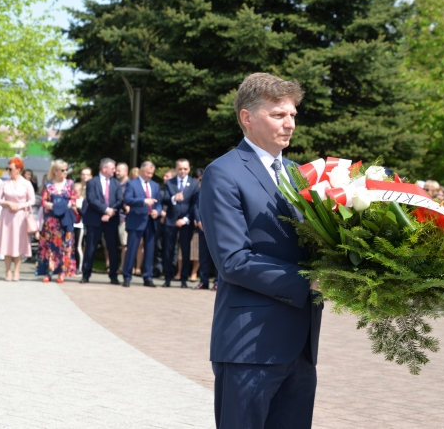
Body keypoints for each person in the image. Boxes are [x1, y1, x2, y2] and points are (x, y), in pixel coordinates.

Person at [200, 72, 323, 429]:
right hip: (250, 344)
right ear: (247, 117)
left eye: (293, 115)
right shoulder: (223, 173)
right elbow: (233, 260)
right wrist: (308, 281)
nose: (290, 124)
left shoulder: (299, 174)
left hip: (301, 346)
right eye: (279, 114)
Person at [81, 158, 123, 284]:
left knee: (113, 249)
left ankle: (113, 275)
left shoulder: (116, 183)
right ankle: (86, 275)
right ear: (104, 168)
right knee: (90, 248)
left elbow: (120, 200)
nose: (115, 171)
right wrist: (105, 210)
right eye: (113, 168)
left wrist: (110, 212)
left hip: (111, 220)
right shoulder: (92, 182)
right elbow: (91, 199)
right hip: (95, 220)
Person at [0, 158, 35, 281]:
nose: (8, 171)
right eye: (8, 168)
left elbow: (32, 200)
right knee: (7, 243)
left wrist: (20, 206)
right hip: (7, 216)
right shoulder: (4, 183)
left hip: (20, 217)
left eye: (10, 169)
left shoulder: (26, 183)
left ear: (18, 170)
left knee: (18, 244)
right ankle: (7, 271)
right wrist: (8, 203)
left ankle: (17, 270)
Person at [122, 161, 162, 288]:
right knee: (132, 249)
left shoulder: (155, 185)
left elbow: (159, 202)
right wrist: (143, 201)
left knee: (150, 250)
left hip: (151, 221)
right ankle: (127, 276)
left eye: (152, 173)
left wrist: (157, 211)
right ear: (141, 171)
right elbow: (128, 199)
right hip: (136, 220)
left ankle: (148, 277)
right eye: (147, 173)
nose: (150, 175)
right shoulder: (132, 184)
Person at [38, 160, 78, 283]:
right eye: (62, 170)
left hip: (65, 219)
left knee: (65, 246)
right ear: (55, 172)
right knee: (50, 246)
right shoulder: (48, 184)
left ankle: (62, 273)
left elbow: (73, 199)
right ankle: (49, 272)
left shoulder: (70, 183)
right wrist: (56, 207)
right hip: (52, 220)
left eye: (66, 170)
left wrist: (64, 207)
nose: (65, 172)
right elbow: (43, 201)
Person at [162, 158, 199, 288]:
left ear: (189, 169)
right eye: (180, 169)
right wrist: (174, 198)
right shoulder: (170, 182)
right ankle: (167, 278)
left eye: (185, 169)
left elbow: (195, 204)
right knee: (169, 250)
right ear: (176, 169)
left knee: (186, 250)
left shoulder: (194, 184)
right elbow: (165, 199)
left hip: (186, 223)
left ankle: (184, 279)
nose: (182, 171)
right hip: (171, 221)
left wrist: (186, 219)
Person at [115, 162, 130, 275]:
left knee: (125, 244)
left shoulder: (130, 185)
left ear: (126, 171)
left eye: (119, 170)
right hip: (114, 217)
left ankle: (123, 267)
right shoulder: (115, 184)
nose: (117, 172)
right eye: (116, 170)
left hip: (124, 218)